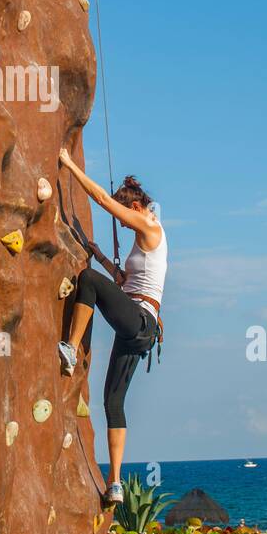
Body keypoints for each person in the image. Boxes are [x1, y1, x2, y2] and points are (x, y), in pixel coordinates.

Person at [57, 148, 168, 506]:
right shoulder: (143, 241)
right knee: (112, 402)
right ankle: (115, 483)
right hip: (136, 329)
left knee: (87, 279)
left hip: (140, 320)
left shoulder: (150, 224)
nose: (123, 223)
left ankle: (70, 349)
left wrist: (70, 164)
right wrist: (102, 254)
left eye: (125, 217)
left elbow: (102, 199)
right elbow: (123, 283)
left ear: (135, 208)